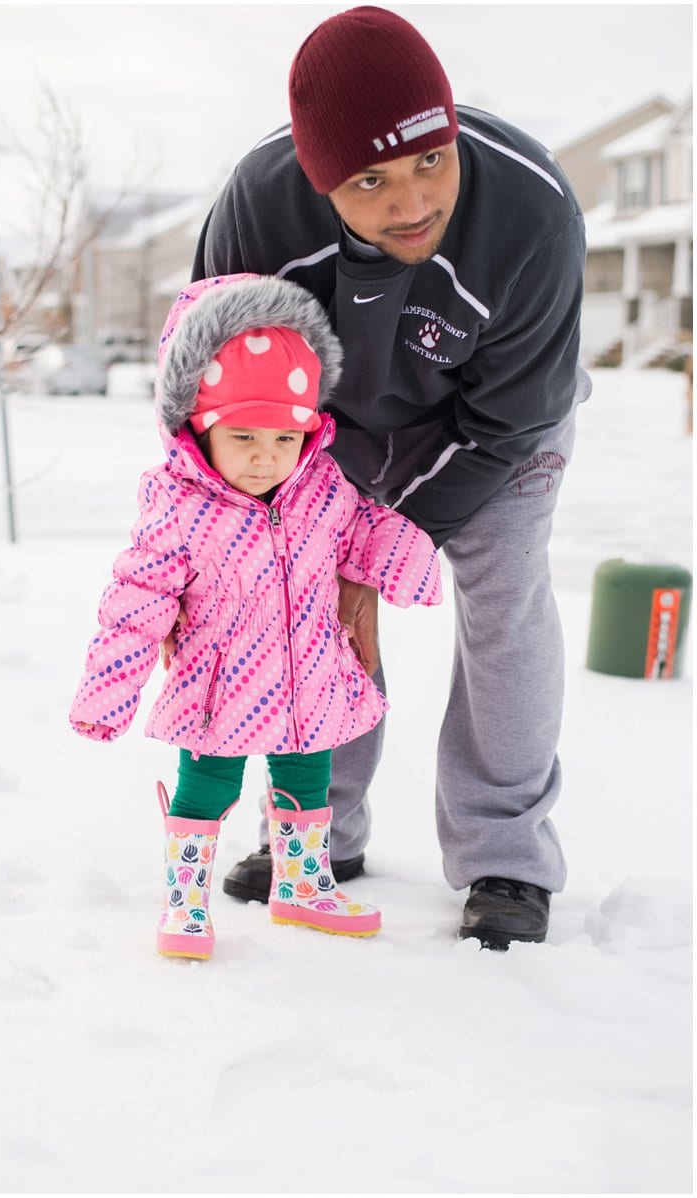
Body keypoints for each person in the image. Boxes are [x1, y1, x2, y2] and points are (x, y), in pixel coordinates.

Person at [191, 5, 592, 950]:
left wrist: (376, 555)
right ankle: (315, 833)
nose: (413, 202)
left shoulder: (532, 211)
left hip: (500, 423)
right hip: (333, 428)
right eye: (370, 180)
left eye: (430, 160)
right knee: (309, 597)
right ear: (319, 176)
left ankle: (508, 856)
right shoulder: (258, 208)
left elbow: (504, 423)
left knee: (502, 593)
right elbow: (213, 384)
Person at [70, 272, 442, 959]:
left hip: (310, 680)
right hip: (219, 688)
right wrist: (108, 693)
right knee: (206, 786)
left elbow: (363, 529)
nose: (267, 459)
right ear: (196, 427)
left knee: (307, 780)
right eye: (243, 438)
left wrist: (408, 560)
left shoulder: (320, 485)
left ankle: (300, 886)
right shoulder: (179, 506)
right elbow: (136, 603)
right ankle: (185, 903)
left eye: (284, 439)